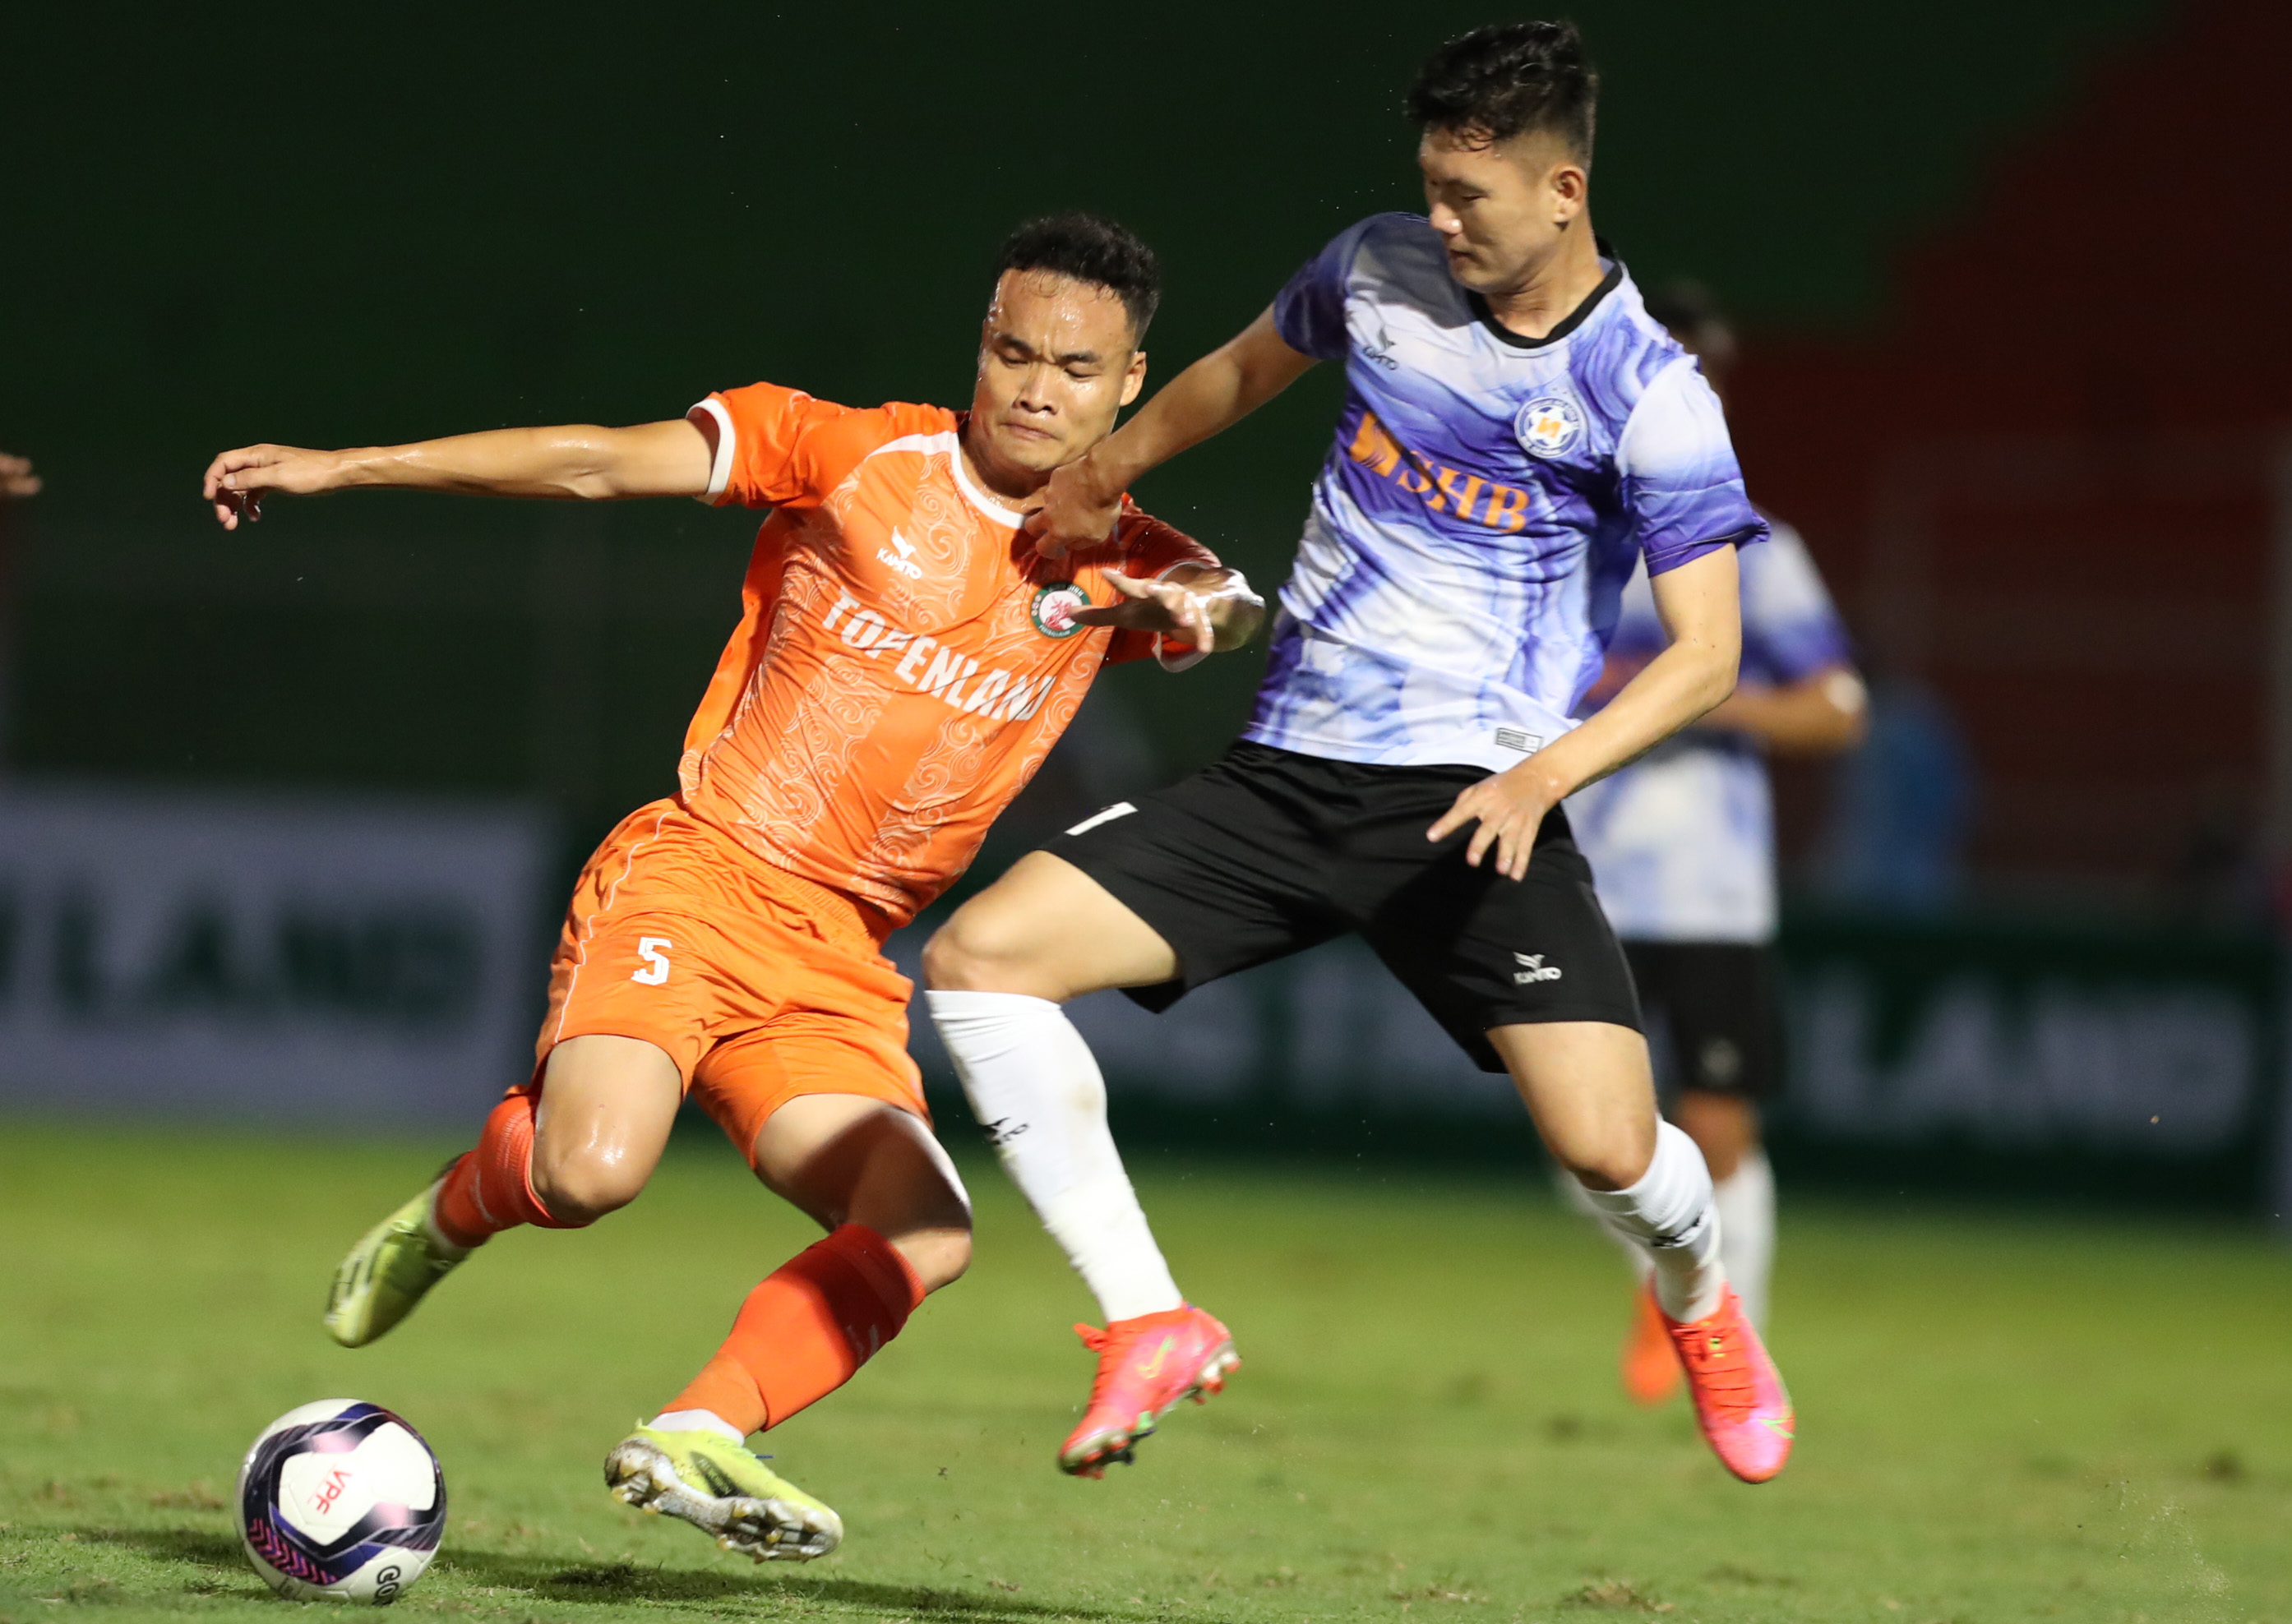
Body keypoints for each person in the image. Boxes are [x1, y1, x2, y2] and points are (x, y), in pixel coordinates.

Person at [198, 215, 1262, 1561]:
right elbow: (594, 464)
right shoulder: (847, 451)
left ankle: (697, 1432)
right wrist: (346, 466)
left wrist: (1180, 610)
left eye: (1075, 366)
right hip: (700, 878)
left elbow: (1233, 607)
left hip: (841, 956)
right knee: (591, 1175)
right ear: (978, 350)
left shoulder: (1122, 553)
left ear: (1128, 383)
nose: (1037, 388)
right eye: (1012, 352)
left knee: (927, 1230)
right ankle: (465, 1203)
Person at [923, 21, 1796, 1488]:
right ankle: (1150, 1318)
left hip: (1479, 810)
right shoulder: (1378, 265)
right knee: (979, 963)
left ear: (1565, 191)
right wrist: (1100, 474)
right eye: (1433, 188)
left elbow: (1707, 656)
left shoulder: (1649, 390)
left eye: (1474, 197)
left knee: (1607, 1149)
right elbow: (1239, 374)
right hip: (1286, 780)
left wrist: (1543, 777)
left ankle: (1704, 1305)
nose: (1443, 221)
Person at [1564, 281, 1867, 1404]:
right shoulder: (1561, 535)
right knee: (1574, 1133)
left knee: (1719, 1118)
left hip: (1706, 887)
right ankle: (1677, 1284)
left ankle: (1733, 1341)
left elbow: (1839, 708)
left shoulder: (1753, 547)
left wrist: (1692, 695)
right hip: (1574, 869)